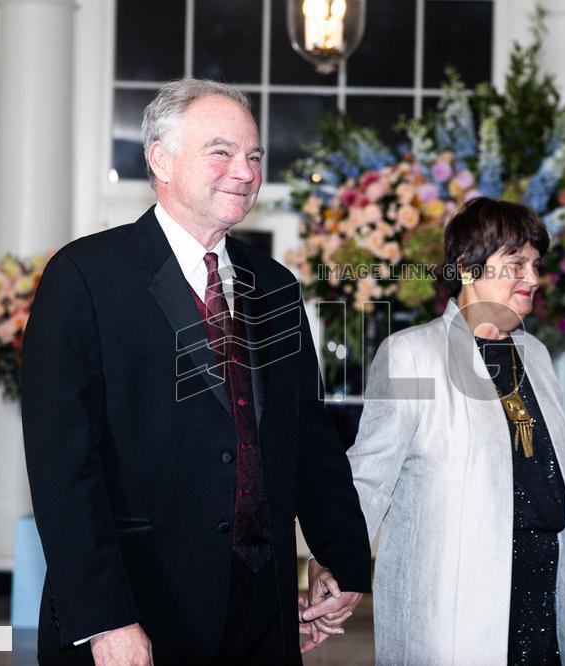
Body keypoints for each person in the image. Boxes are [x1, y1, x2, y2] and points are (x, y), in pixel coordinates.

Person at [21, 78, 370, 665]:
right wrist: (106, 619)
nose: (245, 170)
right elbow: (63, 469)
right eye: (222, 152)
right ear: (161, 159)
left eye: (254, 156)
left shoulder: (276, 287)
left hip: (264, 609)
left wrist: (340, 554)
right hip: (138, 607)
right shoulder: (83, 277)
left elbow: (306, 438)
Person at [311, 197, 565, 663]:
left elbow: (548, 480)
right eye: (515, 263)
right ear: (468, 268)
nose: (533, 278)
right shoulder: (411, 355)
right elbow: (369, 476)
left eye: (536, 265)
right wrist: (333, 563)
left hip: (539, 593)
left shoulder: (536, 355)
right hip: (453, 605)